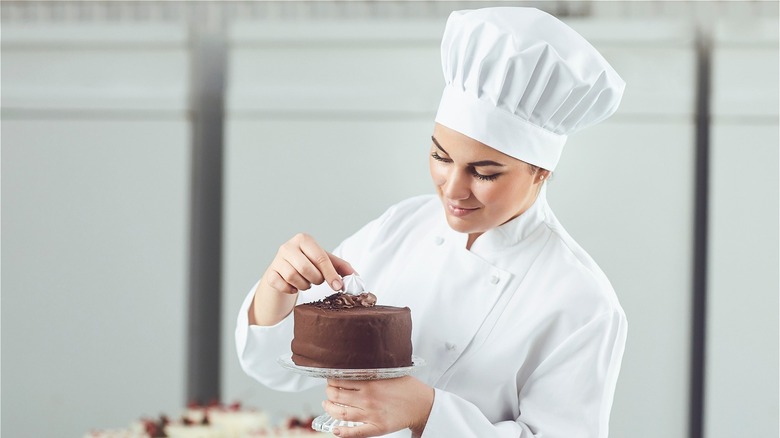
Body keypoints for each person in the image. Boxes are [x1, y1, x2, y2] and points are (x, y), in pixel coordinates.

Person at [236, 7, 627, 438]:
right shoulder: (403, 225)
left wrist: (427, 412)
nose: (452, 190)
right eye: (441, 157)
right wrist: (278, 290)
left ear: (541, 171)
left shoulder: (581, 300)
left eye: (484, 173)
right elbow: (280, 369)